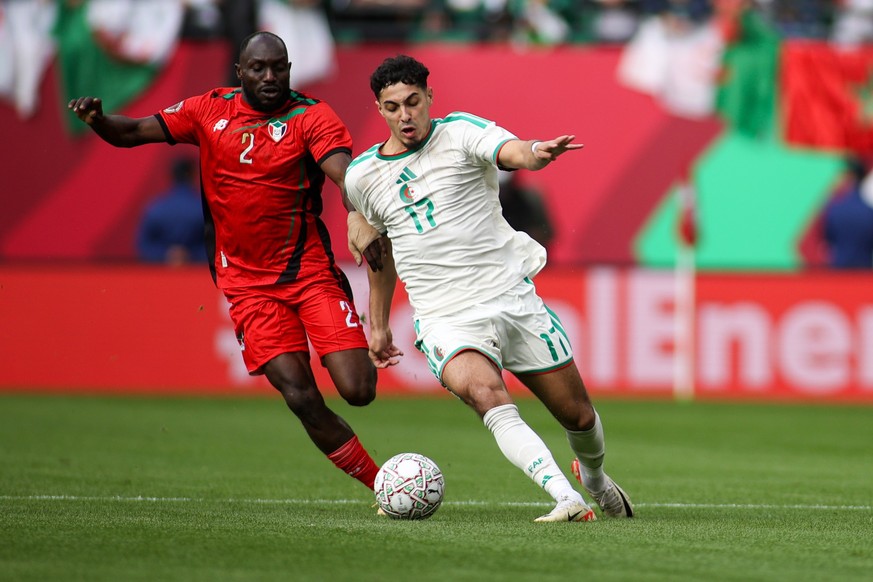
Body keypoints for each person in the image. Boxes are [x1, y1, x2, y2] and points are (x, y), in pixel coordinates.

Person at [69, 31, 387, 496]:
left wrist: (361, 215)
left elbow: (344, 170)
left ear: (290, 69)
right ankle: (382, 485)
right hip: (247, 285)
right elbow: (134, 131)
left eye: (278, 67)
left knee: (359, 390)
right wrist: (98, 121)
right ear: (240, 73)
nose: (270, 77)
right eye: (258, 68)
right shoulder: (207, 109)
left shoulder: (311, 116)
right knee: (299, 396)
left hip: (310, 272)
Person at [345, 55, 634, 522]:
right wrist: (377, 325)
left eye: (413, 102)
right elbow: (380, 254)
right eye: (393, 106)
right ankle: (566, 497)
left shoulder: (460, 132)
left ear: (429, 98)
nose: (405, 115)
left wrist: (536, 152)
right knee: (487, 395)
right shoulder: (363, 177)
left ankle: (595, 479)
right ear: (379, 110)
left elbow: (512, 152)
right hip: (445, 316)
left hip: (510, 297)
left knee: (578, 417)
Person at [137, 156, 207, 266]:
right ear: (192, 175)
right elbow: (216, 245)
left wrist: (166, 255)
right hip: (197, 275)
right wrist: (191, 255)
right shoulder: (203, 208)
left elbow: (144, 245)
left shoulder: (155, 208)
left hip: (160, 276)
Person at [823, 156, 873, 269]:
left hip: (840, 272)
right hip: (865, 274)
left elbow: (828, 239)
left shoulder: (834, 210)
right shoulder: (869, 212)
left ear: (850, 177)